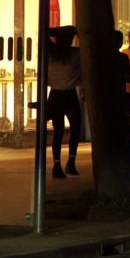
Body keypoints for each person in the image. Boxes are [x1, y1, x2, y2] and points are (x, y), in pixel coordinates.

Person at [44, 25, 82, 177]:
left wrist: (59, 33)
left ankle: (57, 165)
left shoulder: (51, 54)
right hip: (70, 94)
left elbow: (47, 32)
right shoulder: (75, 54)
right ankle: (71, 162)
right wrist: (76, 30)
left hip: (55, 95)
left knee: (58, 131)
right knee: (76, 129)